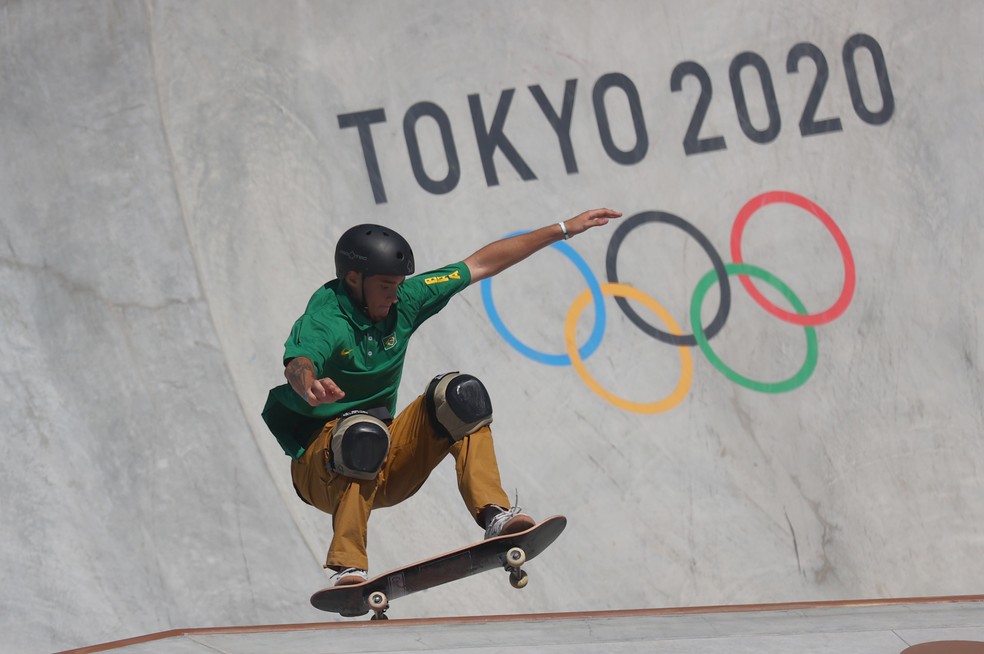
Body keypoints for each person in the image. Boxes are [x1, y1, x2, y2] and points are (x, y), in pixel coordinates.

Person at [262, 208, 621, 587]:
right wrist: (309, 386)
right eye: (385, 285)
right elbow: (298, 363)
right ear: (354, 278)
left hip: (386, 463)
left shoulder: (405, 300)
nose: (394, 294)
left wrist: (563, 229)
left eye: (399, 284)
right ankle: (349, 566)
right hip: (320, 473)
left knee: (461, 396)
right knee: (360, 432)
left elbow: (480, 264)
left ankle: (494, 514)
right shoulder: (327, 319)